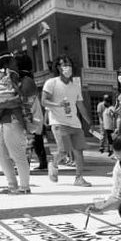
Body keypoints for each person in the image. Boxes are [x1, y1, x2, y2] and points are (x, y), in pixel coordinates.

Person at [42, 54, 91, 186]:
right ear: (58, 67)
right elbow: (44, 101)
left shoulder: (75, 85)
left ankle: (79, 178)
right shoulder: (51, 83)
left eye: (69, 64)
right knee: (64, 150)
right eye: (64, 65)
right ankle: (54, 162)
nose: (67, 68)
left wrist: (89, 122)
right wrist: (57, 105)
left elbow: (80, 105)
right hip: (59, 123)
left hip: (75, 123)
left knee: (79, 151)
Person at [0, 59, 32, 194]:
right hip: (1, 122)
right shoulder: (2, 81)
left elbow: (20, 100)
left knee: (17, 154)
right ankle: (12, 185)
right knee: (0, 154)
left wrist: (1, 103)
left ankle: (24, 187)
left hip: (14, 121)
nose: (4, 68)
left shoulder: (25, 81)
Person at [14, 53, 47, 173]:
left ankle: (24, 165)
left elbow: (26, 100)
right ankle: (41, 162)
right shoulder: (27, 78)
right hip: (33, 114)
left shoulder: (25, 80)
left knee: (29, 140)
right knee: (36, 141)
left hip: (30, 115)